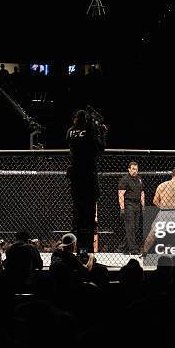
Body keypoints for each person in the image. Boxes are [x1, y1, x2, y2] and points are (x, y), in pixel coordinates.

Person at [66, 109, 106, 254]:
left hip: (75, 175)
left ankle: (76, 247)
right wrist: (101, 132)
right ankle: (86, 251)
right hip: (88, 175)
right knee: (88, 213)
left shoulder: (70, 131)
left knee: (77, 209)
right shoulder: (90, 132)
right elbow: (100, 147)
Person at [118, 161, 145, 254]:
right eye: (133, 169)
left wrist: (143, 205)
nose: (135, 171)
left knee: (135, 227)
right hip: (128, 204)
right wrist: (122, 208)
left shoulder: (139, 179)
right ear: (129, 169)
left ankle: (121, 248)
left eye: (136, 169)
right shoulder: (125, 179)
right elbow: (121, 194)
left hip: (137, 204)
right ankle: (133, 249)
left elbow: (142, 193)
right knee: (130, 227)